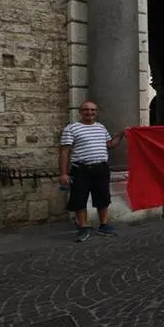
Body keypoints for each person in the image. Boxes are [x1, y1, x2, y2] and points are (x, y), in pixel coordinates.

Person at [59, 101, 126, 243]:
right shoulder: (71, 128)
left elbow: (109, 145)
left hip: (101, 169)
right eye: (86, 110)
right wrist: (64, 173)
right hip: (81, 170)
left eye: (93, 110)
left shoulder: (101, 127)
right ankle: (83, 228)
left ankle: (104, 225)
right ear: (80, 112)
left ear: (96, 112)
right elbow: (64, 152)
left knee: (103, 198)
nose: (90, 112)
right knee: (79, 199)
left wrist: (121, 135)